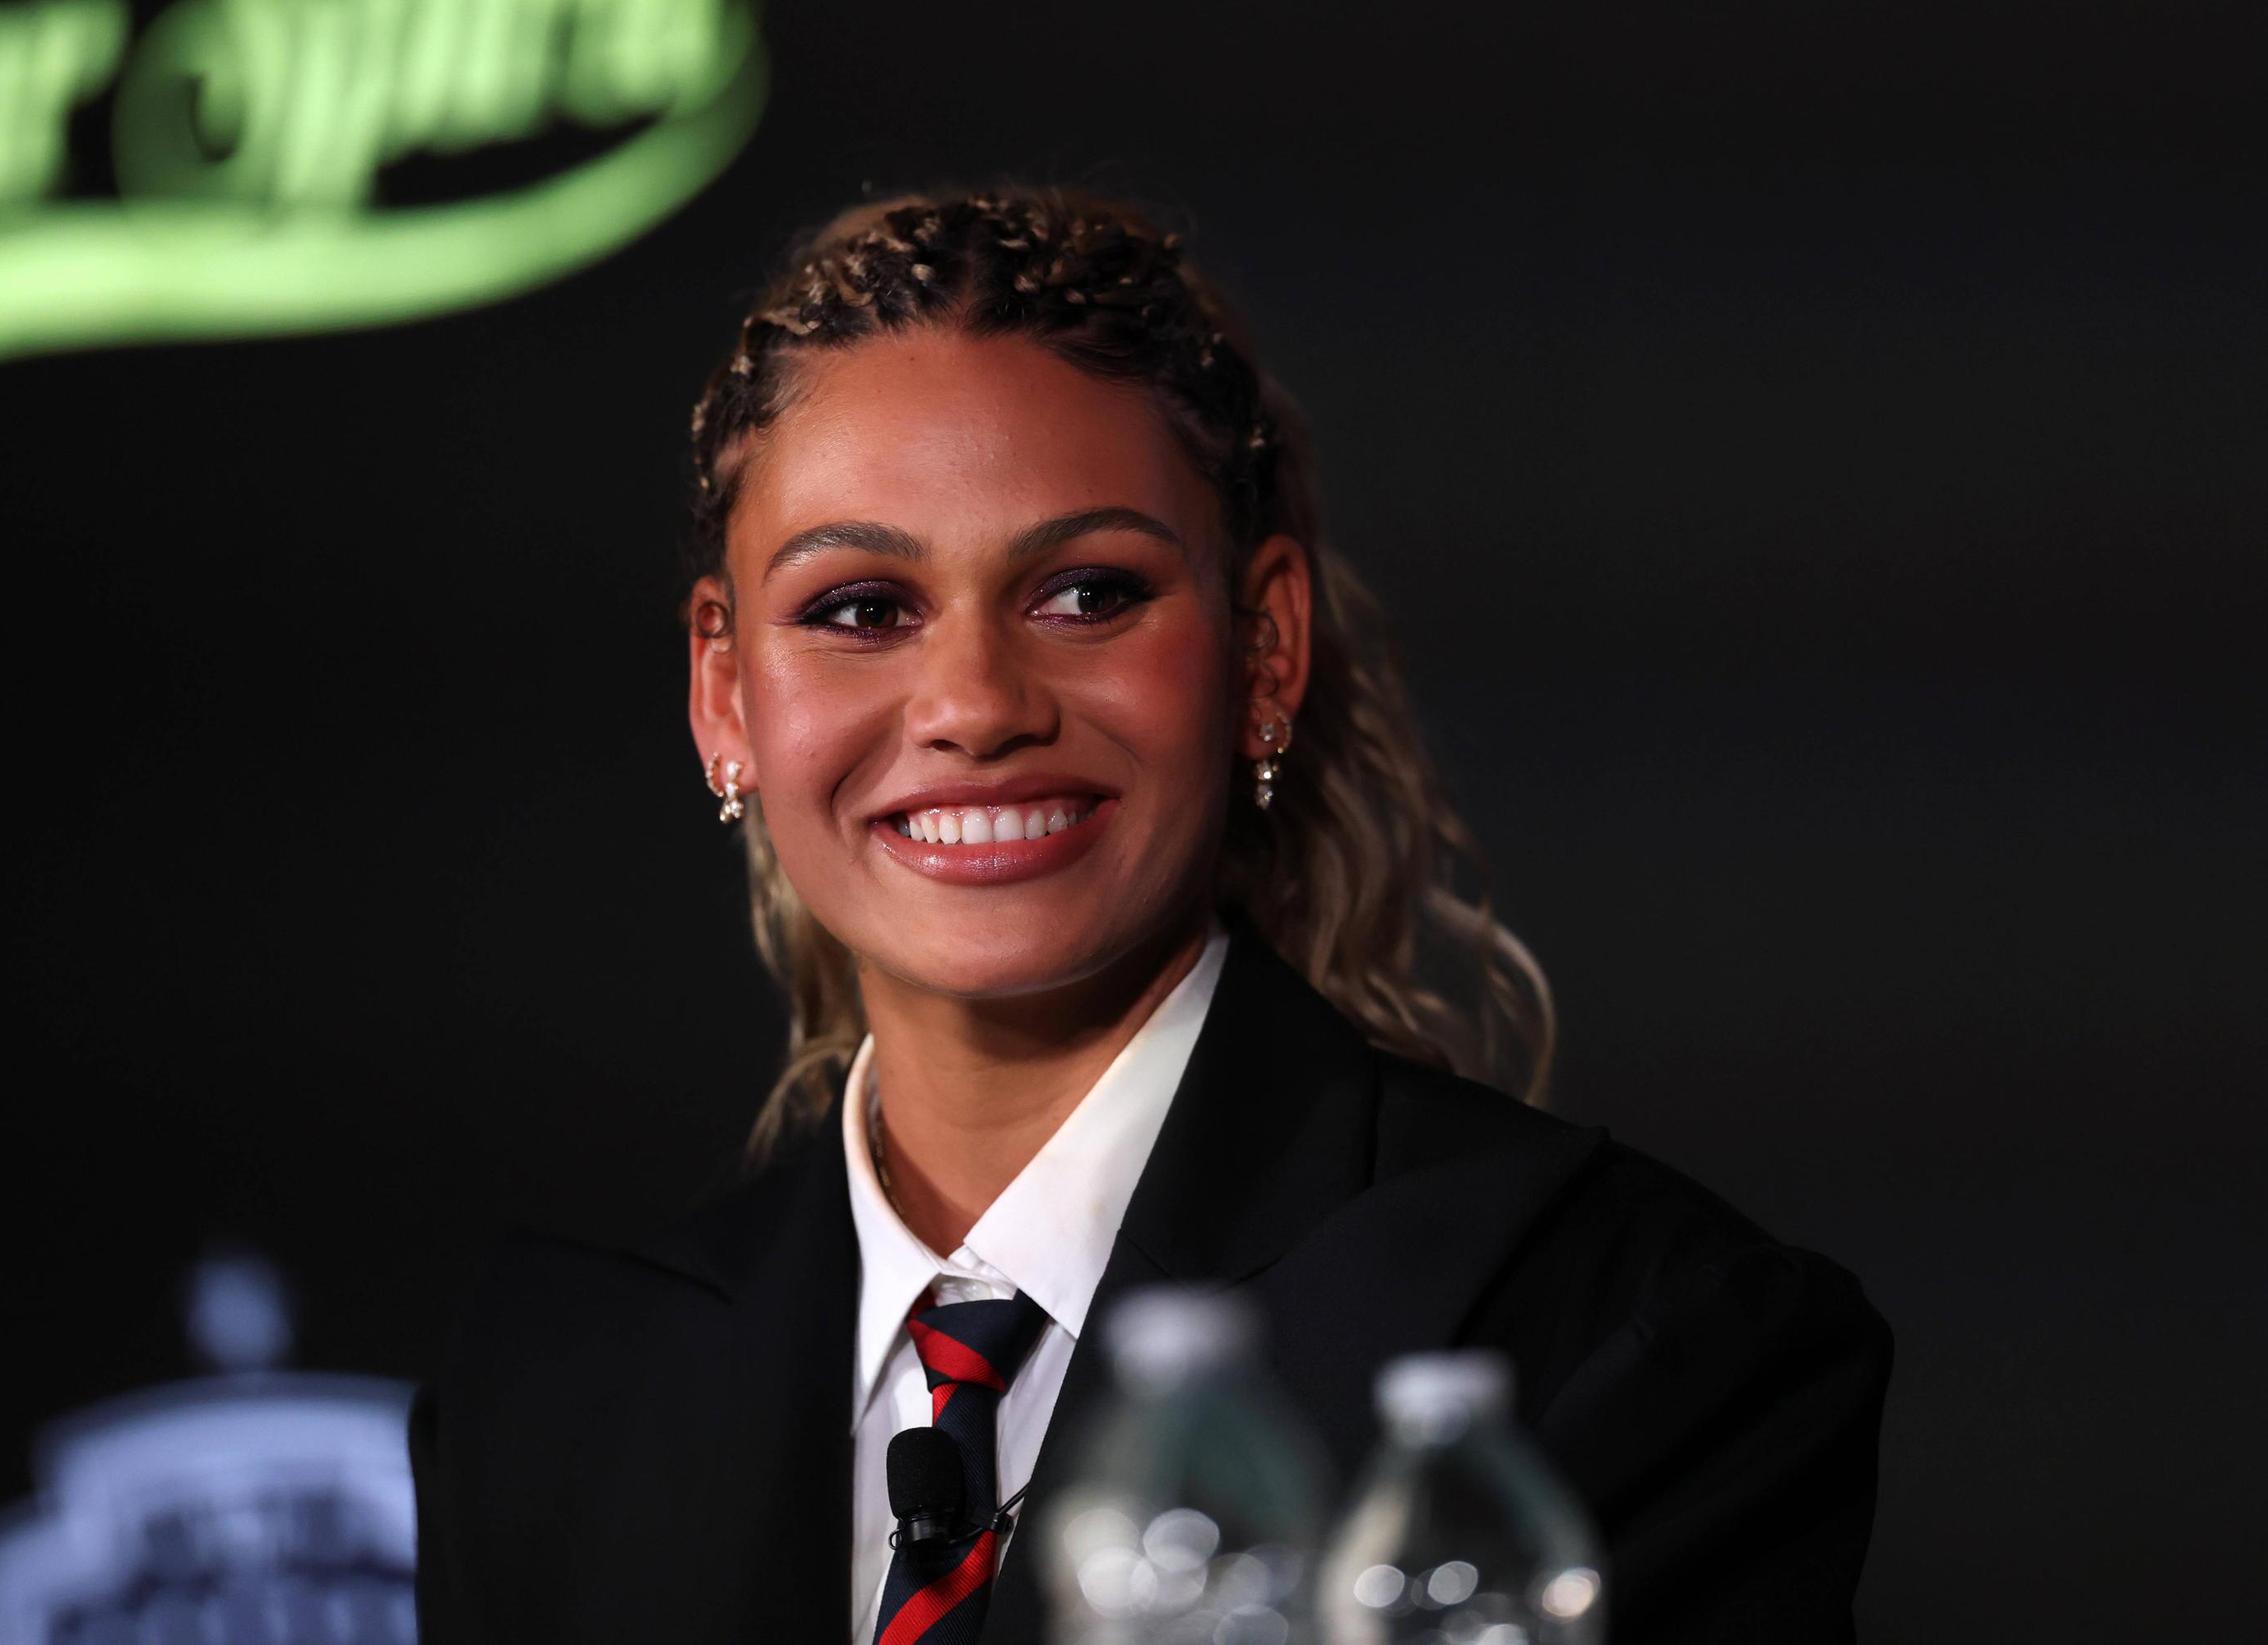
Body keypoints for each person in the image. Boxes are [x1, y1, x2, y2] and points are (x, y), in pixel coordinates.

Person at [408, 185, 1892, 1644]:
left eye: (1086, 594)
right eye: (862, 609)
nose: (976, 705)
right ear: (727, 695)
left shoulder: (1634, 1342)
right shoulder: (544, 1407)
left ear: (1265, 649)